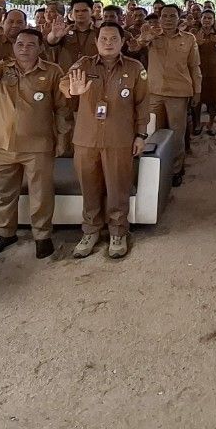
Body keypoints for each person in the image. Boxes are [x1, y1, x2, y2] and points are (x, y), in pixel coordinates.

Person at [0, 29, 70, 259]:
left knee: (41, 193)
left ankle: (42, 235)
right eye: (20, 44)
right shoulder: (0, 68)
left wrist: (63, 139)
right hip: (2, 143)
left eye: (31, 45)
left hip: (38, 144)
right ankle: (5, 233)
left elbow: (63, 110)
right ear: (13, 47)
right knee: (3, 193)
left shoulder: (53, 72)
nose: (24, 48)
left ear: (40, 48)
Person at [63, 22, 149, 260]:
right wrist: (73, 89)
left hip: (119, 139)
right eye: (103, 39)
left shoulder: (135, 68)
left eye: (113, 39)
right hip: (86, 139)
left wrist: (141, 135)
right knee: (89, 187)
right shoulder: (83, 64)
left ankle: (118, 232)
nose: (108, 43)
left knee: (118, 187)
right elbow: (63, 83)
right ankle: (90, 231)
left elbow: (142, 103)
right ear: (96, 41)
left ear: (122, 42)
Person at [128, 4, 201, 187]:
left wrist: (197, 91)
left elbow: (194, 67)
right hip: (154, 92)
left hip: (179, 93)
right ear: (160, 18)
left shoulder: (189, 39)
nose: (168, 19)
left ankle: (176, 170)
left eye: (172, 16)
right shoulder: (152, 36)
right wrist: (144, 39)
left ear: (179, 18)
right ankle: (155, 167)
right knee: (153, 132)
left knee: (176, 134)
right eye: (165, 16)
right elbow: (134, 48)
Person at [46, 0, 100, 73]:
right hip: (66, 76)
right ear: (72, 12)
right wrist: (54, 35)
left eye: (84, 11)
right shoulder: (64, 30)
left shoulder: (100, 32)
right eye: (76, 11)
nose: (80, 14)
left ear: (92, 11)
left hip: (92, 76)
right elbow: (51, 42)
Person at [194, 9, 216, 136]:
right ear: (201, 19)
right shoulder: (194, 33)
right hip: (198, 72)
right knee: (197, 100)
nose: (207, 20)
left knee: (214, 99)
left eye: (209, 18)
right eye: (204, 18)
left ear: (214, 20)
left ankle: (210, 124)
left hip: (215, 72)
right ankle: (197, 124)